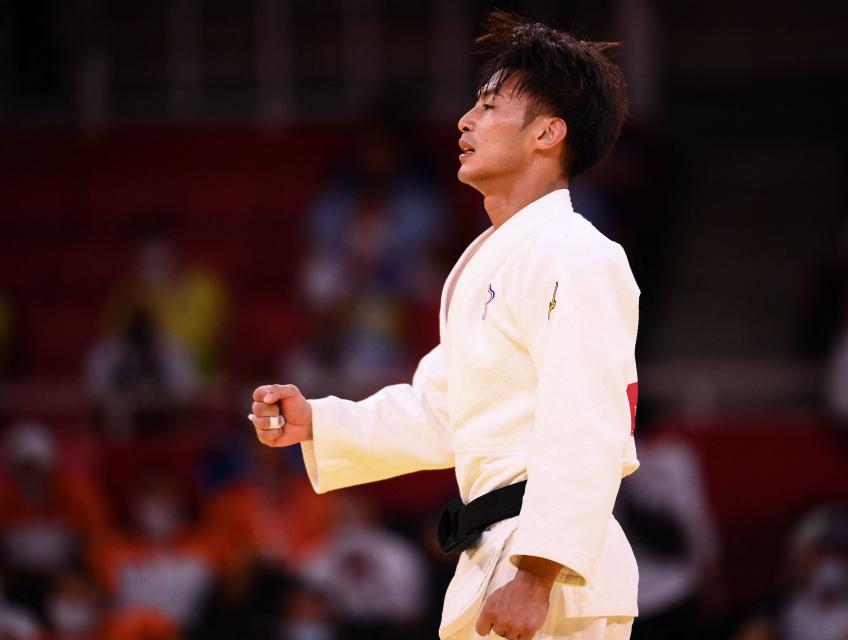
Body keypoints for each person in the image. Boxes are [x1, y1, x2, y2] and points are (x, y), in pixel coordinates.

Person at [249, 11, 640, 640]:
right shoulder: (488, 258)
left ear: (548, 133)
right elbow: (444, 412)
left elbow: (589, 419)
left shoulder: (574, 251)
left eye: (489, 106)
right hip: (496, 555)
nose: (465, 121)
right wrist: (319, 420)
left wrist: (538, 574)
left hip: (547, 571)